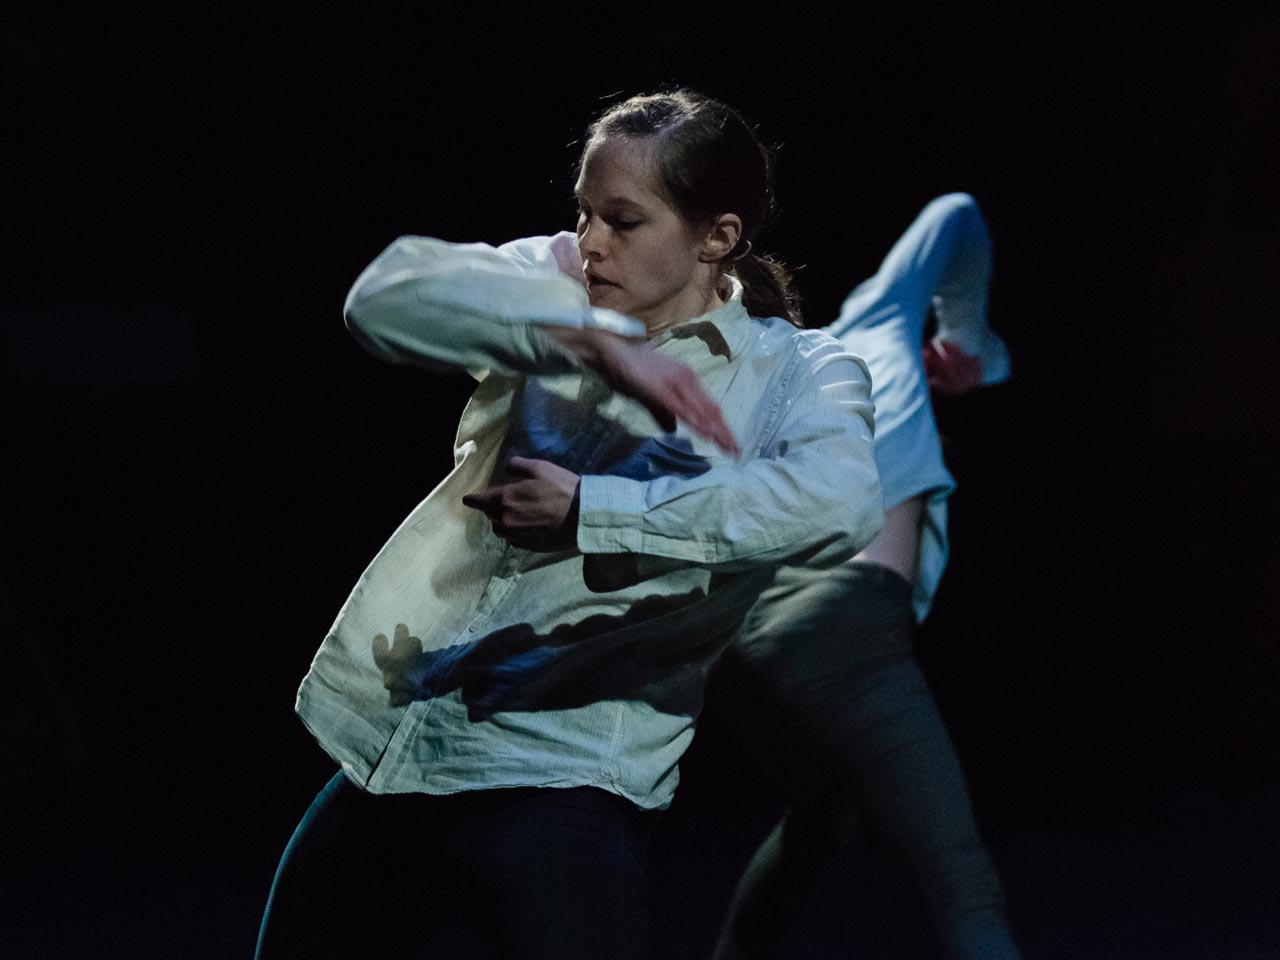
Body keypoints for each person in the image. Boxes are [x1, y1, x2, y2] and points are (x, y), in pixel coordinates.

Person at [254, 90, 883, 960]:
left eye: (623, 221)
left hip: (569, 774)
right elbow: (382, 295)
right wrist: (586, 337)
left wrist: (598, 511)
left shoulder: (798, 372)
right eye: (583, 213)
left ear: (719, 237)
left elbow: (837, 504)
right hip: (407, 747)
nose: (591, 242)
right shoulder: (558, 285)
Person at [706, 193, 1023, 960]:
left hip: (742, 653)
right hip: (842, 630)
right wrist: (963, 340)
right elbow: (958, 215)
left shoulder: (726, 394)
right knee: (963, 886)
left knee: (821, 815)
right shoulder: (873, 323)